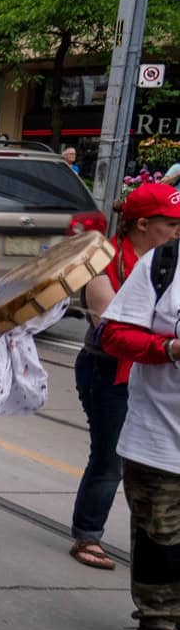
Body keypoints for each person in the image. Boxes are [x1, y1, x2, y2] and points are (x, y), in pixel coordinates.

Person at [70, 184, 180, 571]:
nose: (177, 231)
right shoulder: (107, 260)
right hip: (108, 371)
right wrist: (168, 344)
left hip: (152, 377)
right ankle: (88, 533)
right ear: (143, 224)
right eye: (170, 223)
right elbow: (109, 325)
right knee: (110, 456)